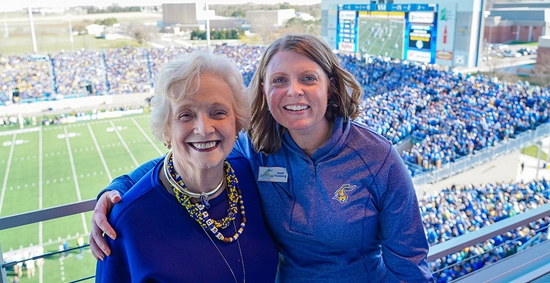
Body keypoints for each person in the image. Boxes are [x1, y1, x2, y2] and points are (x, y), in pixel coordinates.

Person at [91, 34, 433, 282]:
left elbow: (410, 264)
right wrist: (117, 189)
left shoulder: (378, 158)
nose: (293, 91)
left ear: (330, 86)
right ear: (265, 92)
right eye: (279, 80)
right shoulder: (256, 146)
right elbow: (190, 157)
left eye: (308, 79)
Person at [94, 51, 278, 282]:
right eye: (186, 115)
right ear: (166, 128)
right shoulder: (127, 221)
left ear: (237, 121)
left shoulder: (251, 179)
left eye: (218, 112)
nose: (204, 128)